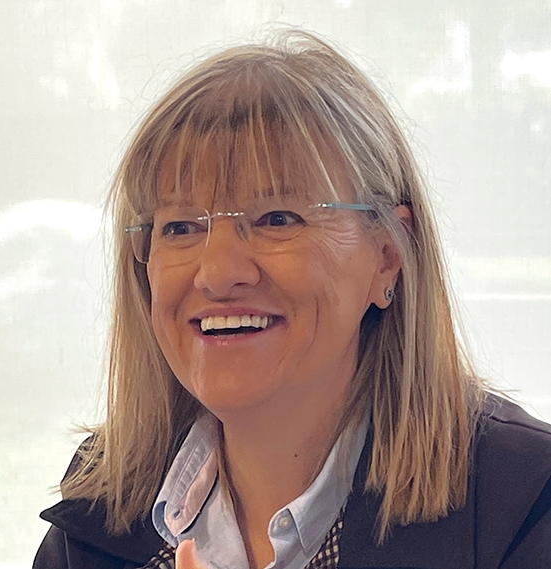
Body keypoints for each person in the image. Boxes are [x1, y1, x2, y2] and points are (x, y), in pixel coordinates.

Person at [33, 30, 551, 569]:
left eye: (276, 219)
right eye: (181, 227)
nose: (217, 273)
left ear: (387, 256)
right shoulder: (99, 513)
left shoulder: (522, 505)